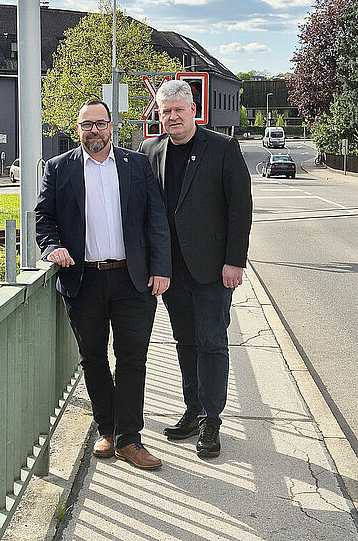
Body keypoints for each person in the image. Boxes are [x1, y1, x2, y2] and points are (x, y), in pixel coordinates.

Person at [35, 99, 171, 470]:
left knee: (132, 358)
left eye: (100, 123)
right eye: (86, 125)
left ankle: (130, 439)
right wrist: (53, 246)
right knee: (93, 357)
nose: (93, 131)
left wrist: (161, 268)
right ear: (77, 129)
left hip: (133, 280)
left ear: (111, 126)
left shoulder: (136, 164)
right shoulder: (58, 168)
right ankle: (106, 430)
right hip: (84, 280)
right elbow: (43, 218)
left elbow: (156, 219)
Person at [139, 80, 252, 458]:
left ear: (193, 111)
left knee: (212, 343)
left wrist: (235, 261)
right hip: (170, 273)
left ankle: (212, 421)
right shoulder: (149, 150)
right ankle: (193, 409)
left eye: (177, 110)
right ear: (158, 113)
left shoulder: (222, 148)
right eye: (164, 111)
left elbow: (240, 209)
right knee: (184, 343)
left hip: (212, 271)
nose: (171, 117)